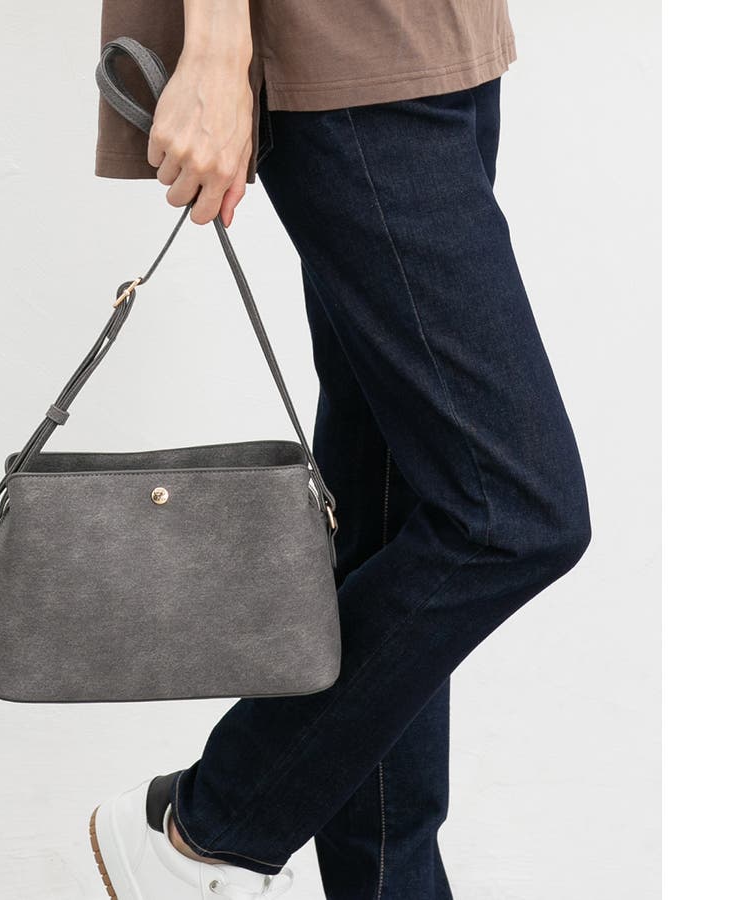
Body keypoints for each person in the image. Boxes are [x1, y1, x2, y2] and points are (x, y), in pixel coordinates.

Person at [89, 2, 591, 898]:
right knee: (513, 513)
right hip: (337, 42)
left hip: (442, 36)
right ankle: (205, 826)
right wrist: (216, 49)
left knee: (399, 512)